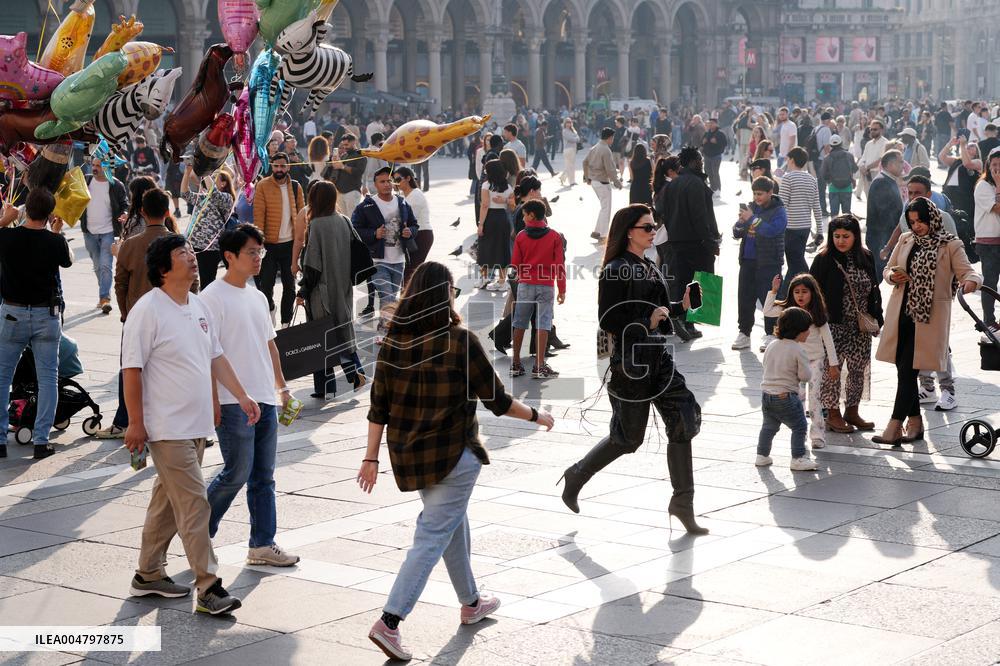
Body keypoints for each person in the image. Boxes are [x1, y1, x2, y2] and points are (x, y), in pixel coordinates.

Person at [359, 261, 554, 661]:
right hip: (452, 456)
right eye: (452, 290)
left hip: (409, 457)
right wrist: (538, 415)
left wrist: (371, 458)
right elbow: (497, 403)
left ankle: (471, 602)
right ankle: (390, 621)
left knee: (451, 525)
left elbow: (378, 407)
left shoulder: (393, 341)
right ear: (444, 295)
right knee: (432, 535)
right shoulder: (460, 341)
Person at [123, 233, 260, 615]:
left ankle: (148, 573)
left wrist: (240, 395)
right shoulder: (147, 310)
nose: (192, 258)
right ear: (164, 268)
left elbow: (215, 357)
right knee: (195, 504)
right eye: (182, 253)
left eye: (190, 251)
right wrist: (135, 423)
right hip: (165, 428)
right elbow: (131, 370)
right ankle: (209, 586)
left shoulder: (197, 306)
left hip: (196, 425)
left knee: (167, 502)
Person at [558, 204, 706, 533]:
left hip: (659, 360)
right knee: (628, 438)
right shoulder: (615, 269)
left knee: (683, 420)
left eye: (655, 226)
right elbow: (608, 319)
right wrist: (645, 321)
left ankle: (683, 502)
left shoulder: (649, 265)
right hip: (631, 364)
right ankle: (577, 474)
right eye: (647, 227)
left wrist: (680, 305)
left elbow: (659, 313)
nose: (654, 232)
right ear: (629, 231)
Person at [202, 224, 300, 567]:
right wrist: (216, 399)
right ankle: (198, 534)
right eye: (251, 252)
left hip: (265, 398)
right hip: (232, 402)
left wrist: (282, 387)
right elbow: (209, 354)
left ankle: (262, 543)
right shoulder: (211, 298)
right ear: (229, 256)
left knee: (264, 477)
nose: (259, 258)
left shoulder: (258, 295)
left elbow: (269, 344)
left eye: (260, 252)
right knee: (236, 472)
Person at [874, 198, 981, 446]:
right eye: (912, 222)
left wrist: (970, 283)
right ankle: (915, 422)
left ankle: (893, 426)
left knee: (908, 372)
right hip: (902, 314)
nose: (917, 226)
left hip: (928, 319)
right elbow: (888, 269)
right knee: (905, 371)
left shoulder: (950, 244)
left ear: (933, 217)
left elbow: (969, 271)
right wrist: (894, 275)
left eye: (920, 221)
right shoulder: (906, 239)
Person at [98, 188, 196, 441]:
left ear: (142, 211)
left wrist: (125, 313)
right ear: (167, 211)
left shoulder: (130, 245)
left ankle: (126, 421)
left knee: (130, 369)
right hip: (174, 318)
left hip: (136, 319)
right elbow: (194, 281)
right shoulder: (180, 243)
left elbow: (120, 284)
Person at [0, 191, 71, 460]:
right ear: (50, 213)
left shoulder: (7, 236)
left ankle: (0, 441)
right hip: (46, 316)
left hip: (12, 314)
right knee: (48, 378)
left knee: (2, 377)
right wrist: (57, 231)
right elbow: (66, 260)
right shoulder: (53, 241)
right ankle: (41, 441)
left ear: (25, 210)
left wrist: (5, 219)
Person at [809, 214, 884, 434]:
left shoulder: (866, 257)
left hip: (860, 327)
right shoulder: (823, 258)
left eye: (845, 236)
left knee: (858, 370)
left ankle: (852, 410)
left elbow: (874, 289)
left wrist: (877, 317)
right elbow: (812, 289)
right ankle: (832, 414)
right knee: (833, 370)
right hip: (833, 325)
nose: (840, 241)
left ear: (855, 237)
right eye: (836, 236)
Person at [297, 182, 366, 398]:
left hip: (322, 291)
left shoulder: (316, 225)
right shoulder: (344, 220)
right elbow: (359, 250)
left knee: (321, 338)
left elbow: (312, 265)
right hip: (343, 287)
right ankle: (356, 374)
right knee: (343, 333)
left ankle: (326, 387)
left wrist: (303, 291)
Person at [763, 274, 839, 450]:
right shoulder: (789, 311)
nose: (800, 296)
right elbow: (767, 311)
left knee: (814, 398)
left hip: (815, 360)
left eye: (804, 291)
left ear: (813, 293)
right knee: (798, 399)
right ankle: (801, 433)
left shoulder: (818, 315)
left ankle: (818, 435)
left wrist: (833, 364)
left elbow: (828, 340)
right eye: (796, 292)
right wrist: (773, 291)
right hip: (794, 362)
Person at [353, 166, 420, 336]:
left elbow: (414, 224)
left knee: (392, 296)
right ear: (375, 184)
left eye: (389, 180)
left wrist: (410, 231)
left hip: (399, 259)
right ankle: (385, 331)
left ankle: (387, 328)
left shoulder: (402, 202)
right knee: (387, 296)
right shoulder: (367, 206)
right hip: (377, 261)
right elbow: (355, 229)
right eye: (382, 181)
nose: (387, 184)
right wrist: (373, 234)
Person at [664, 146, 721, 341]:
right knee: (700, 280)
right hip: (697, 241)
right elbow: (700, 216)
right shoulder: (696, 183)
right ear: (694, 161)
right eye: (699, 159)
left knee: (684, 280)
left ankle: (682, 319)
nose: (702, 162)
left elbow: (664, 211)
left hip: (677, 241)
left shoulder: (673, 184)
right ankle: (690, 321)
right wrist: (710, 240)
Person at [754, 307, 817, 471]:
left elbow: (766, 365)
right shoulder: (798, 349)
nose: (809, 333)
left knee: (769, 426)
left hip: (767, 394)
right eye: (807, 330)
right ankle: (798, 458)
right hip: (786, 396)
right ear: (799, 331)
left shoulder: (772, 344)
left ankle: (762, 455)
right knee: (799, 426)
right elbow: (805, 376)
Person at [509, 200, 566, 380]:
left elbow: (515, 264)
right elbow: (560, 265)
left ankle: (516, 363)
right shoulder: (555, 236)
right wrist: (562, 289)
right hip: (546, 285)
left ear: (532, 215)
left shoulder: (521, 236)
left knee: (519, 322)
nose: (523, 218)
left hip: (525, 284)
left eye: (525, 214)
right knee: (543, 323)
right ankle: (539, 366)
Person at [732, 177, 787, 352]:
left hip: (769, 262)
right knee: (745, 297)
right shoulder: (751, 207)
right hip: (748, 261)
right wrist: (740, 224)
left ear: (770, 193)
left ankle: (771, 333)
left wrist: (752, 219)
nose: (757, 197)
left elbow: (772, 231)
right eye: (755, 193)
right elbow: (737, 231)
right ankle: (744, 333)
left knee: (769, 298)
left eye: (760, 194)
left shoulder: (779, 211)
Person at [253, 152, 305, 328]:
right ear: (271, 166)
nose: (279, 169)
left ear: (288, 167)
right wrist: (258, 244)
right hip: (268, 244)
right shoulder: (262, 186)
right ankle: (271, 309)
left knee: (290, 287)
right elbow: (258, 216)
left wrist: (301, 243)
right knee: (265, 286)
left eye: (283, 166)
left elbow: (301, 217)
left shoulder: (296, 186)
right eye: (276, 166)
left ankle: (285, 323)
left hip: (290, 245)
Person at [81, 157, 128, 315]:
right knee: (97, 266)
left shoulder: (116, 184)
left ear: (106, 168)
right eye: (93, 165)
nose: (94, 168)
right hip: (89, 231)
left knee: (106, 265)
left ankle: (104, 298)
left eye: (98, 166)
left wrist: (124, 214)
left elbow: (124, 204)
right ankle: (104, 290)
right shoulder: (85, 181)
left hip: (108, 231)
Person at [181, 166, 236, 289]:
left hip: (210, 248)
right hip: (195, 245)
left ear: (223, 183)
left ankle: (208, 305)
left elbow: (214, 192)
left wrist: (205, 172)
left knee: (207, 281)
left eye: (214, 177)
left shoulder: (226, 198)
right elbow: (185, 194)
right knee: (193, 279)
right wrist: (187, 172)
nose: (211, 179)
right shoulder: (204, 197)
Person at [780, 147, 822, 291]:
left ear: (791, 160)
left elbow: (782, 206)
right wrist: (820, 231)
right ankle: (786, 293)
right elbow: (817, 206)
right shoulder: (811, 179)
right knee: (795, 262)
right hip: (805, 227)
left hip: (790, 228)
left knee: (795, 263)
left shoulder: (788, 178)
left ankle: (812, 286)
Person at [476, 160, 515, 291]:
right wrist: (505, 200)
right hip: (503, 218)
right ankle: (502, 282)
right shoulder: (508, 186)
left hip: (490, 218)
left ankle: (484, 278)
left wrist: (481, 224)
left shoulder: (486, 185)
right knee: (503, 248)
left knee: (485, 247)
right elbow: (512, 205)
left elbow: (485, 205)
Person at [974, 148, 1000, 342]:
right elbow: (997, 208)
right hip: (989, 242)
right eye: (994, 166)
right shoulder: (983, 186)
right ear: (988, 167)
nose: (997, 169)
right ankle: (989, 320)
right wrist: (998, 185)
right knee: (990, 283)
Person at [866, 150, 905, 276]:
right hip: (881, 238)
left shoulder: (889, 180)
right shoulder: (882, 182)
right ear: (890, 165)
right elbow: (885, 215)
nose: (903, 165)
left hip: (885, 237)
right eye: (900, 162)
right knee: (878, 274)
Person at [393, 167, 432, 285]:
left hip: (421, 234)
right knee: (409, 272)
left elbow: (405, 220)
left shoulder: (415, 195)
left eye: (398, 179)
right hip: (414, 234)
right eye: (393, 180)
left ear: (408, 178)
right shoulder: (406, 196)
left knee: (410, 272)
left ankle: (409, 299)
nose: (396, 183)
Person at [583, 127, 622, 241]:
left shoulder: (594, 147)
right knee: (606, 209)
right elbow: (610, 169)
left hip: (594, 181)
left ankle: (597, 231)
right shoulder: (606, 150)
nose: (613, 140)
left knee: (603, 208)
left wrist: (587, 177)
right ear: (610, 138)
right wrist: (617, 182)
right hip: (602, 182)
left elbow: (585, 162)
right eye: (613, 138)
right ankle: (603, 235)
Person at [820, 134, 857, 223]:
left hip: (833, 188)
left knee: (834, 214)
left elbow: (823, 175)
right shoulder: (849, 155)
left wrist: (829, 181)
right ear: (841, 143)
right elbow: (855, 169)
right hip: (847, 187)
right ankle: (847, 232)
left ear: (831, 145)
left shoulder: (827, 158)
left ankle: (834, 233)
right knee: (847, 214)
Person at [328, 133, 367, 216]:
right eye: (343, 145)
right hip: (340, 192)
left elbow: (358, 172)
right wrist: (334, 162)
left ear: (354, 142)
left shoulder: (361, 155)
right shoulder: (344, 155)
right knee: (344, 219)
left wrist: (342, 166)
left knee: (352, 219)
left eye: (347, 144)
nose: (345, 147)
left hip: (352, 192)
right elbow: (336, 169)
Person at [858, 119, 888, 196]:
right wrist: (861, 166)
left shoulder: (885, 143)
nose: (872, 131)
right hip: (866, 174)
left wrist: (867, 167)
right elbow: (863, 158)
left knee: (878, 198)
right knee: (869, 199)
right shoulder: (868, 144)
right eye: (871, 129)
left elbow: (881, 160)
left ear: (881, 130)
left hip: (877, 174)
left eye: (875, 129)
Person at [701, 117, 728, 196]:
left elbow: (725, 143)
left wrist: (717, 142)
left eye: (712, 123)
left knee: (715, 172)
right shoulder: (707, 133)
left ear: (716, 124)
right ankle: (713, 188)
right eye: (710, 123)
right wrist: (703, 143)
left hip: (716, 156)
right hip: (707, 156)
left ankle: (718, 189)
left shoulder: (720, 133)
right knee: (708, 172)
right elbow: (702, 143)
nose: (711, 124)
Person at [560, 118, 580, 186]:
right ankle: (571, 181)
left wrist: (576, 138)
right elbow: (570, 139)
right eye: (567, 122)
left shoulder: (573, 130)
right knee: (569, 166)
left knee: (571, 166)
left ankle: (563, 178)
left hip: (573, 149)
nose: (568, 124)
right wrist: (575, 138)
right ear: (565, 123)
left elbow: (578, 138)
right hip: (567, 149)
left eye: (570, 122)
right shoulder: (564, 131)